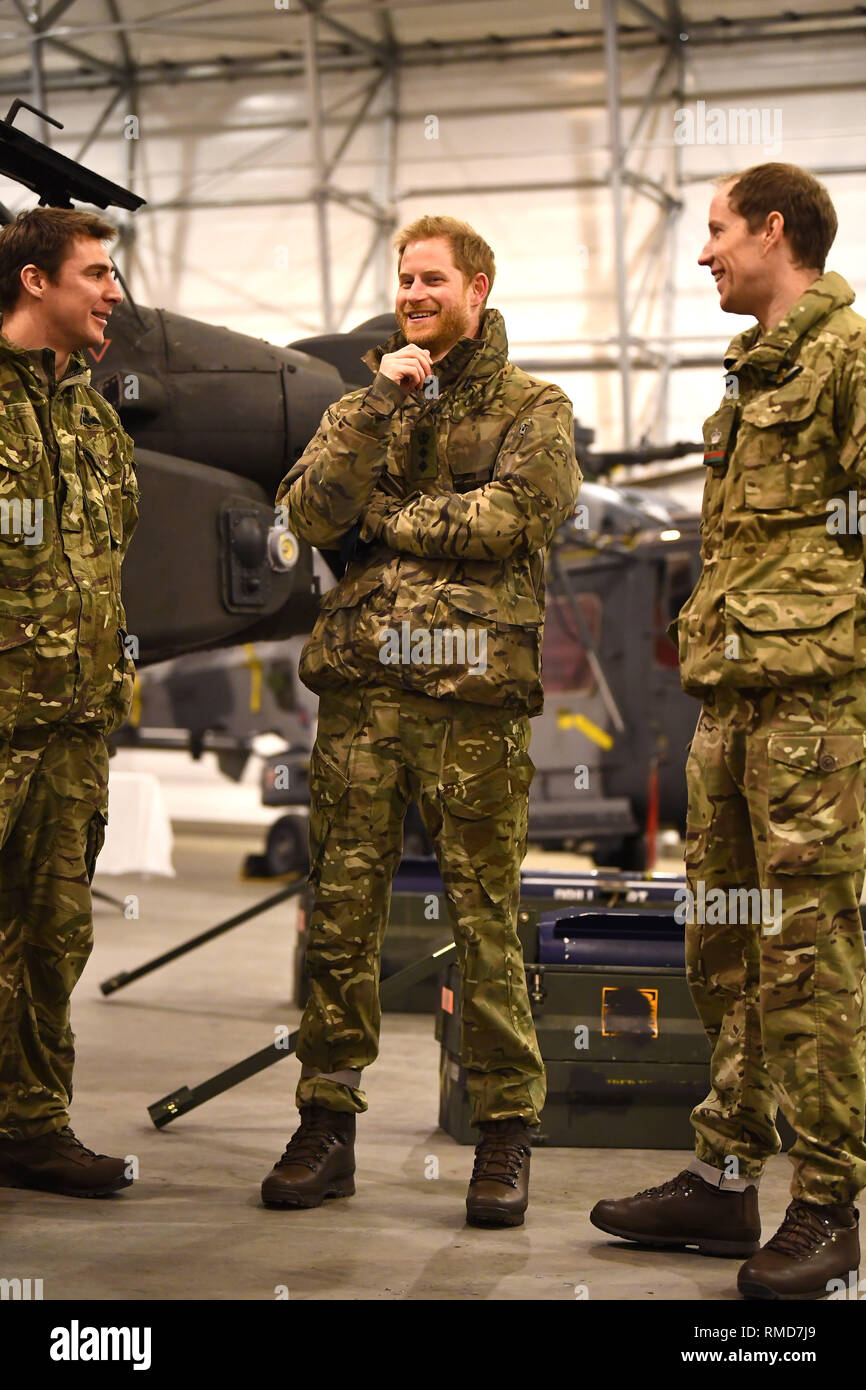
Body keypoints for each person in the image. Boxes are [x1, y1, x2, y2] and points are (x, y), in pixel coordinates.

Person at [267, 214, 581, 1226]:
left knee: (483, 916)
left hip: (470, 705)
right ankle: (325, 1123)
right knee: (342, 913)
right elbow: (307, 516)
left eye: (431, 279)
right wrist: (370, 410)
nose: (412, 293)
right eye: (403, 277)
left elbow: (517, 515)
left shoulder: (532, 406)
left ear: (475, 289)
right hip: (361, 698)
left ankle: (501, 1134)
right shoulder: (362, 404)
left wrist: (395, 523)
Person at [591, 163, 866, 1299]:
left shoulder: (847, 358)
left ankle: (828, 1198)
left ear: (769, 229)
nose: (701, 253)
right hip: (732, 704)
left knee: (809, 954)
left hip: (812, 712)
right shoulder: (747, 381)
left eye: (713, 232)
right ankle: (722, 1175)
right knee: (723, 947)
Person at [0, 208, 139, 1196]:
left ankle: (29, 1122)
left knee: (52, 933)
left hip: (74, 724)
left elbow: (112, 544)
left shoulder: (91, 416)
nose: (116, 291)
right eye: (98, 271)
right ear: (37, 283)